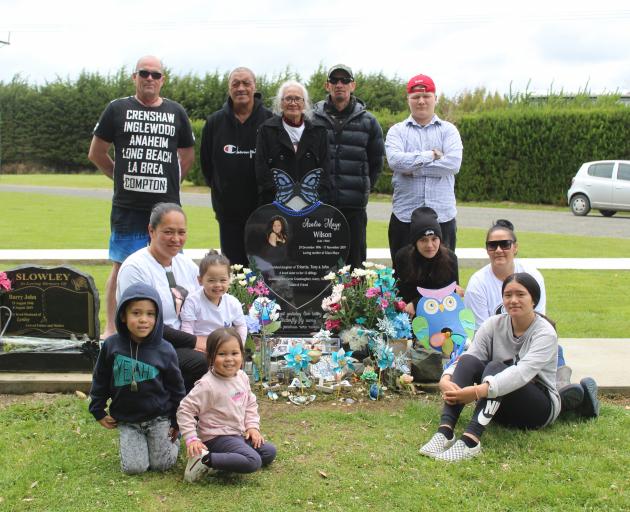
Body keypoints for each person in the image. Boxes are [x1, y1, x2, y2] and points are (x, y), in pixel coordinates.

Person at [88, 55, 195, 339]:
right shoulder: (116, 109)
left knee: (170, 266)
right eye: (144, 73)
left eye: (155, 74)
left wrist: (172, 181)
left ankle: (172, 329)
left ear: (163, 80)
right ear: (134, 77)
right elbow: (96, 153)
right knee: (121, 265)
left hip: (166, 209)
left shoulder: (176, 112)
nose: (150, 79)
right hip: (127, 207)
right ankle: (111, 328)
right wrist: (119, 178)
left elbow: (187, 154)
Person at [419, 273, 561, 462]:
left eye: (521, 294)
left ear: (534, 299)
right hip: (498, 405)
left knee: (497, 366)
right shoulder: (493, 324)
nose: (513, 300)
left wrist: (478, 391)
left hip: (538, 409)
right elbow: (470, 355)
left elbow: (521, 373)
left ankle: (471, 441)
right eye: (508, 295)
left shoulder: (545, 333)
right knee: (470, 361)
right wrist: (446, 378)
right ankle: (445, 432)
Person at [89, 282, 186, 474]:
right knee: (135, 468)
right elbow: (100, 378)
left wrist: (177, 421)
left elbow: (177, 388)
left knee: (161, 465)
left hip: (159, 418)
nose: (144, 320)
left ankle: (172, 443)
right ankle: (134, 444)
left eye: (150, 314)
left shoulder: (165, 349)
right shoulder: (111, 345)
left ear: (157, 317)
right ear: (123, 316)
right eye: (136, 313)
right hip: (127, 420)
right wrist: (98, 410)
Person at [117, 203, 207, 392]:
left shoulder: (186, 265)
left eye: (181, 232)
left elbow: (203, 305)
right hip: (148, 345)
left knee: (225, 352)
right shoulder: (135, 268)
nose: (176, 239)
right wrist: (195, 342)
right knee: (201, 361)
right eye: (168, 232)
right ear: (151, 230)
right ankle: (178, 414)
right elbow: (146, 324)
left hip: (183, 341)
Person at [177, 327, 277, 482]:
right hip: (216, 438)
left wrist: (252, 427)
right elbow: (185, 409)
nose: (229, 359)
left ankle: (227, 462)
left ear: (242, 355)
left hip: (237, 434)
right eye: (222, 354)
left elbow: (250, 403)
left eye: (234, 353)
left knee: (269, 452)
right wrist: (192, 439)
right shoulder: (207, 385)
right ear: (210, 357)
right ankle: (205, 460)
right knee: (253, 461)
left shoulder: (242, 377)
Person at [313, 64, 384, 268]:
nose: (339, 85)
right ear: (327, 85)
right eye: (334, 80)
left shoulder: (369, 122)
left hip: (354, 208)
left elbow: (376, 162)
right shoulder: (312, 119)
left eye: (345, 80)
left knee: (355, 268)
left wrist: (361, 188)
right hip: (320, 208)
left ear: (353, 85)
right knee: (321, 267)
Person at [385, 73, 463, 261]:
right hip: (405, 217)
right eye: (416, 97)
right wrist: (432, 155)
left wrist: (413, 169)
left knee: (444, 279)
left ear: (435, 98)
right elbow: (395, 161)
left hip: (442, 217)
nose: (421, 101)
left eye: (426, 96)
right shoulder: (397, 131)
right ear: (408, 100)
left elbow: (453, 164)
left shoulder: (448, 130)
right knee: (402, 280)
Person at [200, 67, 273, 266]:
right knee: (234, 274)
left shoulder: (271, 121)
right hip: (228, 215)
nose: (241, 88)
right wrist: (222, 192)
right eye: (235, 84)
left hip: (264, 215)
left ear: (255, 87)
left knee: (263, 273)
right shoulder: (214, 123)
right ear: (229, 89)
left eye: (246, 83)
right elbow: (207, 165)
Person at [255, 80, 331, 206]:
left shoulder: (319, 132)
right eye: (288, 99)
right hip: (276, 203)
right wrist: (284, 199)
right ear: (281, 103)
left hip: (311, 204)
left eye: (297, 99)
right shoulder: (267, 130)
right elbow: (261, 170)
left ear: (304, 103)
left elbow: (325, 171)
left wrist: (308, 199)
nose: (293, 103)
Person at [464, 219, 546, 330]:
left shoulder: (533, 276)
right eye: (492, 245)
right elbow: (481, 332)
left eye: (504, 244)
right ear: (487, 250)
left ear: (515, 247)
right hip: (491, 343)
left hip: (529, 339)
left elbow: (539, 322)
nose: (498, 250)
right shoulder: (477, 284)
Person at [394, 207, 460, 315]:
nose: (429, 245)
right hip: (410, 317)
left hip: (441, 315)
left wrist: (416, 303)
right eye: (423, 240)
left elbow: (452, 297)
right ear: (415, 242)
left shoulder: (450, 259)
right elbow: (400, 295)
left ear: (440, 239)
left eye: (434, 239)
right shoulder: (403, 258)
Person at [180, 250, 247, 352]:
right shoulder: (192, 301)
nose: (218, 285)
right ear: (200, 280)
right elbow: (187, 329)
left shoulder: (233, 303)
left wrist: (239, 346)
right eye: (211, 280)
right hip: (200, 348)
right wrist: (193, 348)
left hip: (226, 348)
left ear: (229, 279)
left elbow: (241, 325)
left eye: (223, 280)